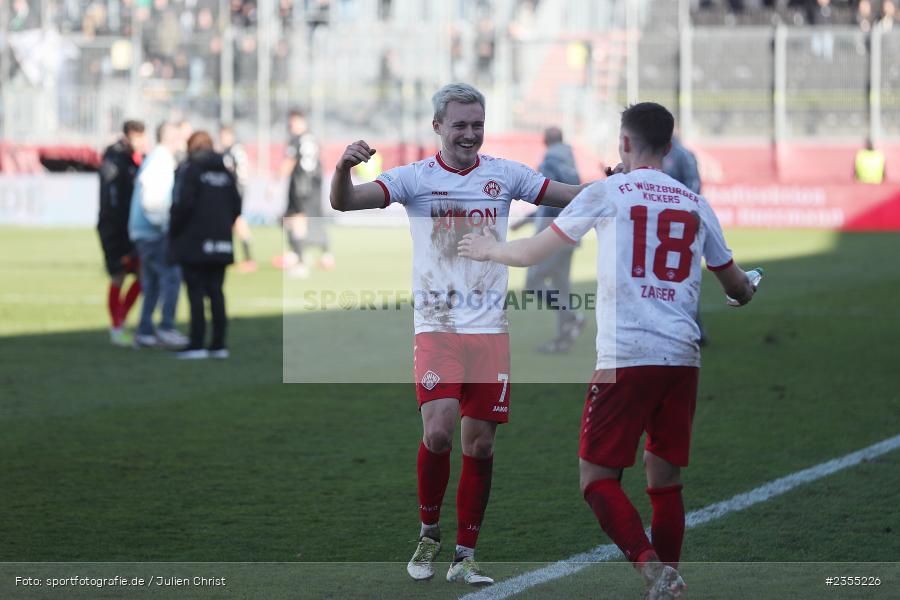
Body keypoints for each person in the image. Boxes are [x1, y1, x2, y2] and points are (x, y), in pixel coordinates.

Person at [458, 102, 757, 599]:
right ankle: (667, 582)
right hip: (682, 358)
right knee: (665, 479)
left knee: (597, 478)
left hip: (626, 355)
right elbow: (736, 286)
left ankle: (651, 568)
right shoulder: (695, 203)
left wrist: (488, 249)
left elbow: (534, 252)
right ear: (669, 145)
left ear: (623, 143)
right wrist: (745, 290)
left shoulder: (607, 191)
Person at [330, 83, 586, 586]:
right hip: (439, 327)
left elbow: (565, 195)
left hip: (490, 330)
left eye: (477, 124)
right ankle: (429, 532)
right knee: (439, 430)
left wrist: (612, 186)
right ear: (438, 128)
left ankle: (465, 555)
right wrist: (342, 167)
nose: (469, 134)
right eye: (459, 125)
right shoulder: (414, 179)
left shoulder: (505, 174)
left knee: (482, 446)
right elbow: (344, 202)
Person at [169, 131, 242, 359]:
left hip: (194, 241)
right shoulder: (226, 171)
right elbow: (237, 206)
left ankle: (197, 343)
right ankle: (219, 344)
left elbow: (182, 204)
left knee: (195, 292)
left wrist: (175, 231)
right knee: (217, 292)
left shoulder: (189, 170)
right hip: (221, 241)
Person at [515, 126, 586, 353]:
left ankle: (573, 316)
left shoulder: (549, 163)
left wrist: (539, 228)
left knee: (533, 282)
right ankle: (563, 340)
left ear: (544, 141)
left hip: (554, 233)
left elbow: (549, 201)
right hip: (571, 232)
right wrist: (527, 221)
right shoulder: (570, 162)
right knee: (560, 288)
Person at [128, 122, 189, 349]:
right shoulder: (161, 160)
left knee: (152, 283)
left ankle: (145, 331)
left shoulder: (155, 158)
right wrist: (165, 226)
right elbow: (152, 199)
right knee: (171, 277)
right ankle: (166, 328)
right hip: (153, 232)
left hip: (143, 231)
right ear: (172, 138)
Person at [97, 119, 147, 346]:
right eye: (138, 136)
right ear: (128, 136)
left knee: (142, 276)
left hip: (131, 227)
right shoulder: (114, 159)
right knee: (118, 275)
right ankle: (116, 328)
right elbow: (112, 199)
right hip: (115, 229)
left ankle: (122, 320)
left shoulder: (135, 159)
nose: (142, 141)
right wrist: (119, 229)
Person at [274, 108, 333, 278]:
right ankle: (325, 254)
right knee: (306, 219)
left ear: (300, 122)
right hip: (314, 184)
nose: (290, 126)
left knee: (296, 220)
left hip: (301, 184)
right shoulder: (312, 137)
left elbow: (290, 161)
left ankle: (300, 261)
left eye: (292, 122)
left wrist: (275, 181)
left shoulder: (297, 139)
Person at [663, 134, 707, 345]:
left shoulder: (680, 154)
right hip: (668, 225)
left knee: (680, 277)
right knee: (677, 278)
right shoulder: (669, 153)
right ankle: (689, 330)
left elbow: (693, 188)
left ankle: (695, 330)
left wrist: (684, 214)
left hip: (679, 226)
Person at [219, 124, 256, 273]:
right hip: (233, 191)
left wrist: (237, 187)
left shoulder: (235, 150)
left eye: (224, 135)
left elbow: (242, 170)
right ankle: (234, 257)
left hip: (236, 191)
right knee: (233, 224)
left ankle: (249, 260)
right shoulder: (229, 150)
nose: (222, 138)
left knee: (238, 222)